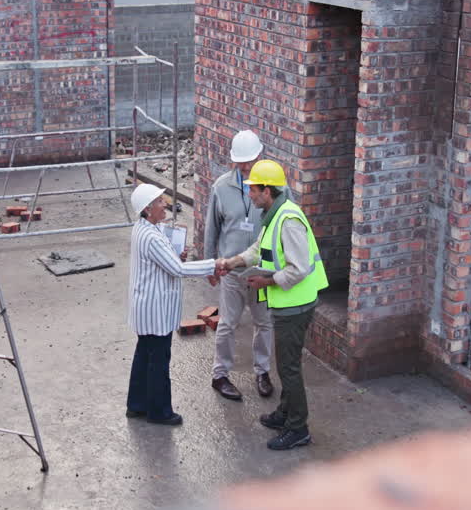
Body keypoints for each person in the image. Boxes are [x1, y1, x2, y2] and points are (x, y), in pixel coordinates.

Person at [219, 160, 328, 451]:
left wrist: (267, 282)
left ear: (267, 190)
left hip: (295, 305)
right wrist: (232, 262)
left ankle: (298, 428)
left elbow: (299, 268)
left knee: (289, 369)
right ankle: (285, 413)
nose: (250, 194)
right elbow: (258, 249)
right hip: (287, 303)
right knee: (286, 365)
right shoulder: (274, 214)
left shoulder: (288, 220)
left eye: (253, 189)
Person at [125, 183, 221, 426]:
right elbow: (178, 269)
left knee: (144, 355)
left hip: (147, 305)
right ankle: (159, 412)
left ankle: (136, 405)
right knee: (158, 360)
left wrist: (175, 255)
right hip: (154, 309)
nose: (165, 204)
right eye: (159, 201)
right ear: (147, 209)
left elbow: (166, 261)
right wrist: (213, 265)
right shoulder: (151, 236)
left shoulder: (144, 228)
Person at [203, 129, 275, 402]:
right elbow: (212, 228)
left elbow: (285, 226)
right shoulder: (221, 187)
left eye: (250, 162)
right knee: (227, 324)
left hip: (262, 271)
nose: (245, 168)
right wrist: (210, 265)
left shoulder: (274, 188)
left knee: (264, 323)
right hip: (231, 271)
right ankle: (220, 374)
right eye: (240, 162)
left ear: (259, 156)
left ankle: (263, 372)